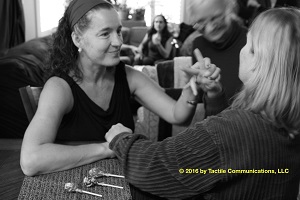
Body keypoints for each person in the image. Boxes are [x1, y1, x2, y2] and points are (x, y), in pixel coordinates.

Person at [105, 7, 300, 200]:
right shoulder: (286, 126)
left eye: (248, 45)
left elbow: (158, 169)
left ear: (261, 61)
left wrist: (121, 140)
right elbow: (230, 157)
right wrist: (214, 95)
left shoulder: (232, 130)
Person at [20, 0, 209, 176]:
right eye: (105, 33)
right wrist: (108, 147)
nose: (118, 42)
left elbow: (178, 115)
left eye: (118, 31)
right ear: (78, 40)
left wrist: (192, 89)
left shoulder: (128, 75)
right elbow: (31, 160)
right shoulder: (59, 87)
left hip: (122, 179)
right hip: (74, 182)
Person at [192, 0, 247, 101]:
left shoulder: (251, 41)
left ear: (230, 11)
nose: (210, 28)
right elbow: (200, 96)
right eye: (201, 22)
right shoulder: (198, 45)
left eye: (215, 18)